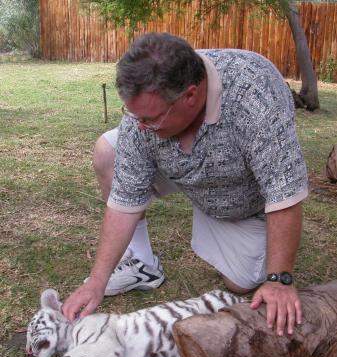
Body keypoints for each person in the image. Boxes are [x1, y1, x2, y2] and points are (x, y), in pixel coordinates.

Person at [63, 32, 308, 336]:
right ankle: (142, 264)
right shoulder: (145, 116)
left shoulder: (254, 95)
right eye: (133, 114)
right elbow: (124, 201)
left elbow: (283, 191)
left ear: (190, 96)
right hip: (179, 163)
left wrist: (279, 279)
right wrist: (97, 280)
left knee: (241, 283)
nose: (140, 126)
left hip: (240, 191)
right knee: (108, 150)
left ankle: (222, 219)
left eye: (150, 118)